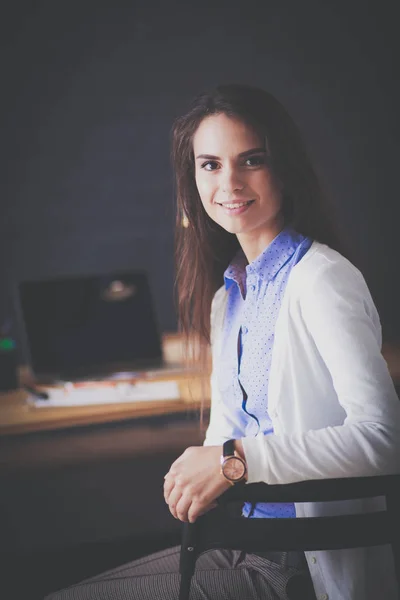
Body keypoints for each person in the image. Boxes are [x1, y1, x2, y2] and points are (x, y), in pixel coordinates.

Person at [45, 84, 400, 600]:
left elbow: (384, 440)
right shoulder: (228, 295)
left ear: (284, 167)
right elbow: (225, 439)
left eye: (251, 160)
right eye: (210, 164)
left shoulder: (321, 278)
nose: (229, 181)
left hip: (296, 559)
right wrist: (201, 475)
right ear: (192, 179)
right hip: (235, 539)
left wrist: (232, 461)